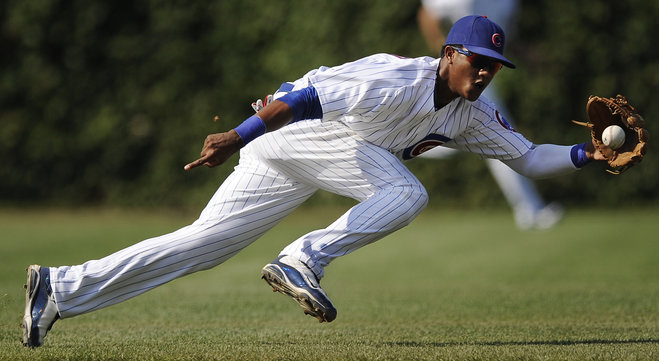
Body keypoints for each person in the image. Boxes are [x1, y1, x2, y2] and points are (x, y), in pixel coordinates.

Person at [23, 15, 605, 348]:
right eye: (475, 59)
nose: (483, 72)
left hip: (310, 155)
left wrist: (587, 154)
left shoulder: (472, 113)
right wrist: (237, 136)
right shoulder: (395, 79)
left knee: (201, 247)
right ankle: (304, 258)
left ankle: (60, 288)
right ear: (449, 53)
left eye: (492, 66)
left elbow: (529, 159)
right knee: (407, 192)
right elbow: (304, 97)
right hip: (296, 135)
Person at [417, 0, 563, 230]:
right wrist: (449, 59)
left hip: (484, 74)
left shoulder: (509, 3)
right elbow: (427, 15)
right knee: (500, 136)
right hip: (465, 73)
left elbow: (500, 41)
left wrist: (528, 55)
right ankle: (530, 210)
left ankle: (400, 144)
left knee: (473, 136)